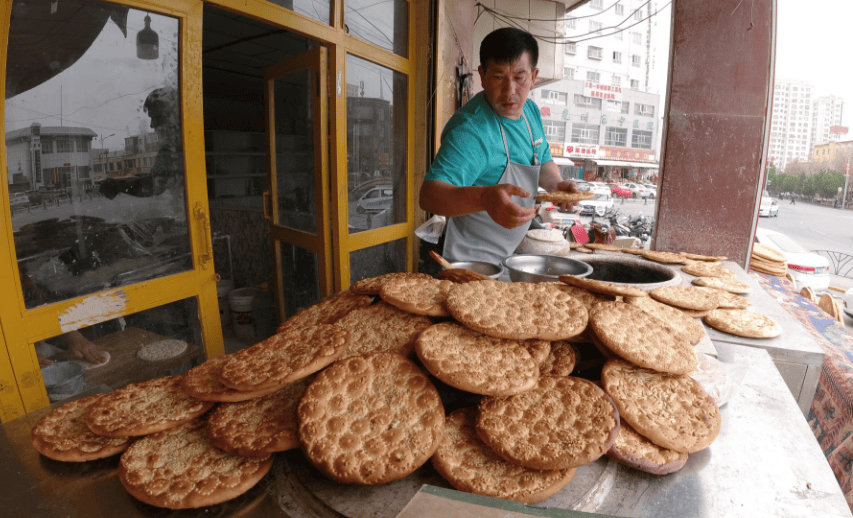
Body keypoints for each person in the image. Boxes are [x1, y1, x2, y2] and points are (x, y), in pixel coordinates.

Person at [419, 27, 578, 264]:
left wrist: (556, 185)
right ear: (482, 75)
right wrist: (485, 199)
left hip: (512, 255)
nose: (509, 91)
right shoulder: (471, 130)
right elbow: (429, 196)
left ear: (533, 77)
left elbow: (541, 158)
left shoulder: (530, 112)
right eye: (498, 76)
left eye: (519, 78)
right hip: (469, 262)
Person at [100, 87, 183, 199]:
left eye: (157, 118)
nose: (152, 125)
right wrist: (120, 184)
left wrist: (118, 185)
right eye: (151, 118)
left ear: (174, 116)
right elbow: (154, 181)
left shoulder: (176, 148)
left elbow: (153, 186)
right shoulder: (171, 148)